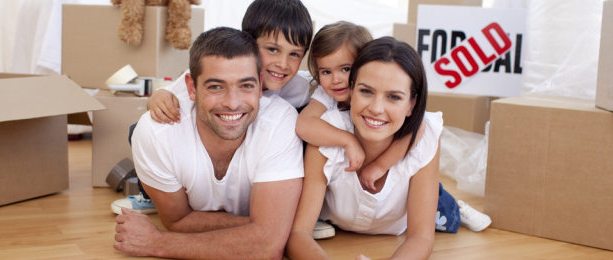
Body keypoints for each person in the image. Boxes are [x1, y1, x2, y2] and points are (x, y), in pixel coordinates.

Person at [113, 27, 304, 259]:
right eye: (216, 86)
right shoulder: (156, 132)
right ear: (191, 88)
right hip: (164, 147)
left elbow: (267, 247)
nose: (232, 103)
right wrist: (265, 230)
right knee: (142, 137)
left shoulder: (282, 119)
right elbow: (178, 220)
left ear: (260, 82)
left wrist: (157, 243)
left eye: (246, 86)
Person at [111, 0, 313, 214]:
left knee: (304, 133)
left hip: (264, 154)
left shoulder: (299, 87)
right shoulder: (212, 73)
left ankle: (302, 208)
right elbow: (167, 94)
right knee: (139, 130)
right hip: (213, 142)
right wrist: (157, 98)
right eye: (273, 50)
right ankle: (152, 194)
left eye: (295, 54)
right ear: (248, 44)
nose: (283, 63)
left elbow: (326, 87)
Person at [295, 22, 491, 235]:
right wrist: (347, 140)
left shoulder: (378, 87)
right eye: (325, 71)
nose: (336, 79)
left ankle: (457, 207)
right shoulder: (326, 95)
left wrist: (380, 166)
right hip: (353, 185)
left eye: (346, 69)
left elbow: (415, 133)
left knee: (442, 214)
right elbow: (305, 124)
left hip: (400, 173)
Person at [288, 36, 441, 259]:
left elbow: (421, 238)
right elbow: (298, 234)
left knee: (444, 207)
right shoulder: (327, 134)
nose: (377, 108)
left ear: (411, 104)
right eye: (366, 91)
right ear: (351, 90)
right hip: (339, 231)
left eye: (394, 97)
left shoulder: (424, 140)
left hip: (399, 230)